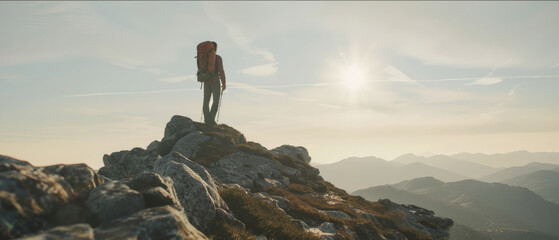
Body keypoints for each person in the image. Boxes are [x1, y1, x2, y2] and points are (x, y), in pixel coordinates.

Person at [203, 41, 226, 125]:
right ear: (215, 48)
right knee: (216, 100)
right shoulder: (218, 58)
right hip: (215, 81)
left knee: (206, 101)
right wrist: (224, 83)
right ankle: (211, 119)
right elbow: (221, 71)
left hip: (206, 81)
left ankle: (206, 119)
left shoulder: (204, 58)